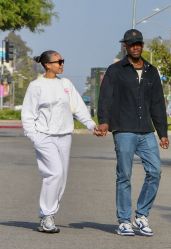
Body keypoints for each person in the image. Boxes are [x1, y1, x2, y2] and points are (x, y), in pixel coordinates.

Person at [97, 29, 169, 236]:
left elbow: (157, 103)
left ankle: (142, 215)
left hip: (146, 130)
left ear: (142, 45)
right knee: (124, 175)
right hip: (124, 130)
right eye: (131, 44)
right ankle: (124, 220)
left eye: (139, 43)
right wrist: (103, 122)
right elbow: (105, 98)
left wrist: (162, 132)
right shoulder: (115, 70)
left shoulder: (151, 71)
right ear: (125, 47)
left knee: (155, 171)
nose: (136, 46)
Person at [21, 50, 96, 233]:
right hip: (44, 136)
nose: (62, 64)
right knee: (54, 173)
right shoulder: (36, 86)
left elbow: (78, 107)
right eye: (58, 61)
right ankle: (46, 214)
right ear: (47, 65)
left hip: (64, 136)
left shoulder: (66, 84)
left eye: (63, 61)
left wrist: (92, 126)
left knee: (61, 177)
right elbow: (28, 114)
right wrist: (34, 136)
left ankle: (50, 215)